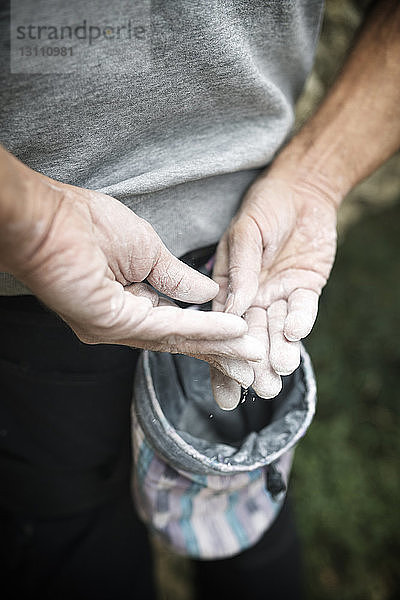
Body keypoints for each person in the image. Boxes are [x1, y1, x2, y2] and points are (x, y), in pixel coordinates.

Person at [0, 0, 399, 598]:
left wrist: (317, 176)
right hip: (44, 285)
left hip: (256, 250)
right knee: (80, 538)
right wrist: (35, 222)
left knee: (231, 505)